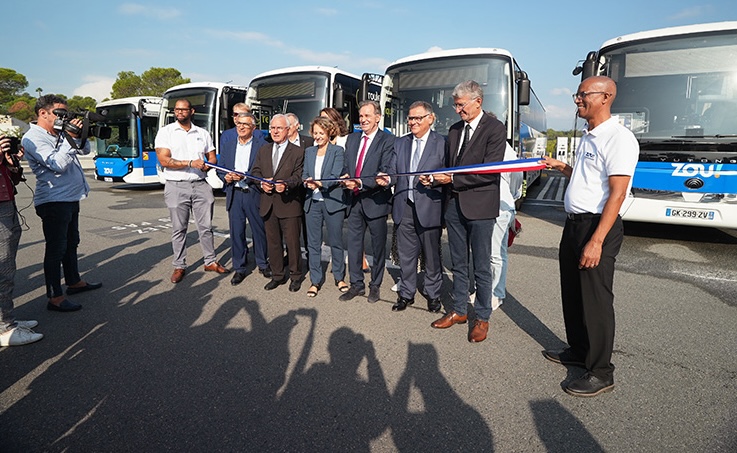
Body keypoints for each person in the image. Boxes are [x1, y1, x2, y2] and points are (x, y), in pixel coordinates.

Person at [541, 76, 638, 397]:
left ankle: (600, 371)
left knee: (596, 300)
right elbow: (587, 176)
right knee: (572, 291)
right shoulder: (589, 136)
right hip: (573, 224)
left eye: (583, 95)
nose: (577, 100)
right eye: (577, 94)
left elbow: (617, 193)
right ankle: (579, 350)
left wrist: (597, 240)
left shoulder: (618, 138)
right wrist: (562, 167)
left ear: (606, 97)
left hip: (598, 226)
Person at [423, 80, 505, 343]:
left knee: (481, 266)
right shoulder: (455, 130)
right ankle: (459, 310)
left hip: (480, 206)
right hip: (454, 206)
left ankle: (481, 317)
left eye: (461, 105)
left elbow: (488, 171)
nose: (457, 110)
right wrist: (435, 179)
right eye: (455, 105)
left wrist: (452, 180)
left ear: (477, 101)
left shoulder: (495, 129)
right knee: (458, 263)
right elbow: (450, 166)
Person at [22, 95, 102, 312]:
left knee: (71, 242)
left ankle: (74, 281)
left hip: (70, 197)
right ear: (43, 113)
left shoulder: (57, 132)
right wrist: (68, 135)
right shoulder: (33, 137)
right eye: (60, 113)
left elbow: (85, 150)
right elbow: (57, 164)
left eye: (66, 114)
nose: (64, 118)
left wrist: (79, 133)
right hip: (53, 200)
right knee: (56, 249)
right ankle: (54, 296)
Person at [379, 101, 446, 313]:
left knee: (431, 256)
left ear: (430, 118)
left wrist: (434, 180)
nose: (413, 122)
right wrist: (386, 179)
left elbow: (447, 174)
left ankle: (433, 294)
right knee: (406, 256)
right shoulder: (400, 143)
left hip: (430, 206)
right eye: (410, 118)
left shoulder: (442, 143)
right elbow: (393, 171)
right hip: (404, 205)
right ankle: (406, 293)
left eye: (417, 118)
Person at [155, 99, 229, 284]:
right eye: (176, 110)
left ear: (192, 111)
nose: (179, 112)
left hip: (200, 184)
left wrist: (207, 166)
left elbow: (212, 157)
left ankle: (210, 261)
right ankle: (179, 265)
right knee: (179, 228)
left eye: (183, 109)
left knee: (206, 227)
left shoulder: (202, 133)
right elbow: (164, 160)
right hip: (175, 185)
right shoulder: (166, 132)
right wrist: (189, 163)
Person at [339, 100, 395, 304]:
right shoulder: (352, 139)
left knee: (378, 247)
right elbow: (346, 165)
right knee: (353, 245)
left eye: (367, 116)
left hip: (375, 201)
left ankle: (375, 285)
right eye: (361, 116)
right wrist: (345, 176)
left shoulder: (388, 141)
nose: (363, 120)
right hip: (354, 201)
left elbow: (386, 169)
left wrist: (360, 182)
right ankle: (357, 285)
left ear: (378, 118)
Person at [251, 114, 305, 292]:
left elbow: (299, 176)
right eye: (272, 128)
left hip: (289, 204)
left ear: (288, 130)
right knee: (273, 242)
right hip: (268, 204)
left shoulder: (297, 151)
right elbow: (255, 172)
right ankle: (277, 275)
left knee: (292, 243)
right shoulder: (263, 150)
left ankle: (296, 276)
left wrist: (286, 185)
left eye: (279, 128)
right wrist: (261, 183)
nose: (275, 131)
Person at [217, 112, 271, 285]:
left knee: (259, 231)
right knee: (236, 233)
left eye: (245, 124)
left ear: (253, 128)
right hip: (235, 194)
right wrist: (225, 177)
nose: (240, 127)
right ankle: (239, 268)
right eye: (239, 123)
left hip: (253, 193)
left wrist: (245, 177)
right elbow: (220, 168)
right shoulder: (228, 145)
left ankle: (262, 263)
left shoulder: (262, 146)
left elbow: (264, 172)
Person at [0, 135, 43, 345]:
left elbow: (12, 178)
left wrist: (12, 164)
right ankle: (5, 328)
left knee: (7, 266)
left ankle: (7, 319)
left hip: (7, 203)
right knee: (2, 269)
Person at [302, 116, 348, 297]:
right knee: (313, 245)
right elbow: (304, 173)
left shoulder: (337, 151)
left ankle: (339, 277)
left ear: (329, 132)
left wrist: (319, 183)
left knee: (336, 242)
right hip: (312, 203)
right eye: (315, 133)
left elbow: (336, 175)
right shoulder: (309, 152)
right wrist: (307, 183)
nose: (318, 136)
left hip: (332, 203)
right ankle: (315, 281)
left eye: (321, 133)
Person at [490, 143, 524, 311]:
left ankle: (497, 293)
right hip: (483, 208)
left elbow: (516, 178)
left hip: (501, 208)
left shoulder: (505, 150)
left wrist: (510, 197)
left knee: (496, 253)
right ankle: (484, 289)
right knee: (483, 253)